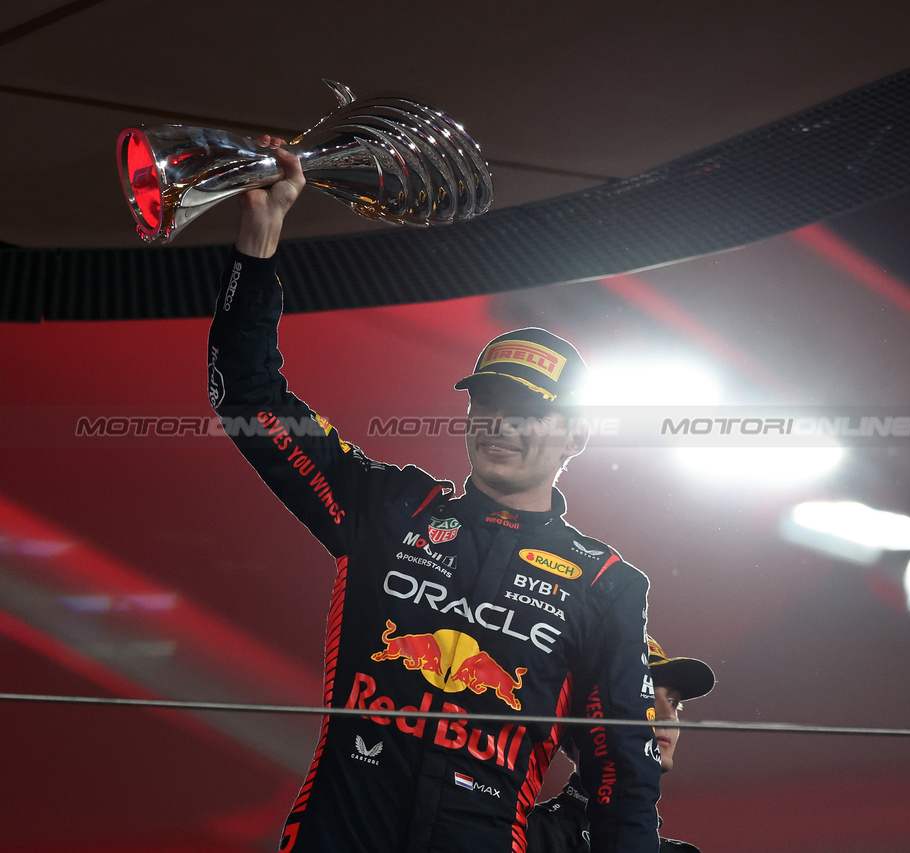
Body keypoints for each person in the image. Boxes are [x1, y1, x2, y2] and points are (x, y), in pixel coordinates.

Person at [208, 138, 661, 853]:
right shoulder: (390, 509)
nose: (501, 425)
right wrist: (257, 246)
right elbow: (247, 398)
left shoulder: (606, 584)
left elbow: (622, 776)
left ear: (574, 435)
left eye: (528, 411)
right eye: (487, 403)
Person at [526, 637, 715, 853]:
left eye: (674, 703)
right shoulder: (529, 834)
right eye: (645, 694)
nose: (668, 716)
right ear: (584, 711)